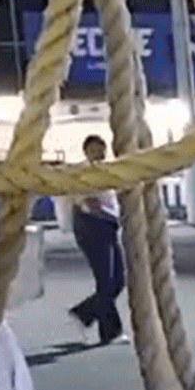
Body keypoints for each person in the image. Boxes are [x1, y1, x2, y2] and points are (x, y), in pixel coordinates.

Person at [68, 135, 126, 345]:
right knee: (106, 281)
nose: (98, 154)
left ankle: (84, 313)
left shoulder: (107, 171)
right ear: (85, 152)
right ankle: (110, 331)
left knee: (118, 281)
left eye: (101, 149)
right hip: (91, 227)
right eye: (93, 150)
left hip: (107, 227)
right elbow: (88, 203)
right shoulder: (83, 173)